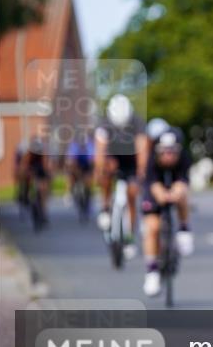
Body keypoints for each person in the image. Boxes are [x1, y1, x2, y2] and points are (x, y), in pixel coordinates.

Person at [140, 128, 194, 296]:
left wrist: (176, 193)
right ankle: (152, 271)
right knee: (153, 228)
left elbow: (183, 182)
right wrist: (161, 195)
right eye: (165, 152)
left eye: (172, 152)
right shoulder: (151, 160)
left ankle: (184, 229)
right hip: (155, 188)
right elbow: (152, 184)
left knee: (183, 196)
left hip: (175, 185)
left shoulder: (184, 158)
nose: (169, 156)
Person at [94, 94, 149, 259]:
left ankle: (129, 236)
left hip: (131, 159)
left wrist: (141, 170)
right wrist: (100, 169)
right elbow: (100, 150)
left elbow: (142, 149)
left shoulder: (137, 122)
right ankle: (105, 206)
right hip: (113, 157)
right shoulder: (104, 123)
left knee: (132, 194)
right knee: (105, 174)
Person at [18, 136, 52, 226]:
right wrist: (24, 174)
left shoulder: (43, 154)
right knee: (26, 183)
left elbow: (46, 167)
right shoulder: (28, 154)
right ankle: (25, 197)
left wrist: (47, 175)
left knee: (43, 189)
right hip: (31, 171)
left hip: (40, 171)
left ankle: (43, 212)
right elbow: (23, 166)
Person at [65, 134, 96, 215]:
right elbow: (71, 160)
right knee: (70, 175)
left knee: (88, 180)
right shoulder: (74, 146)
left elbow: (92, 161)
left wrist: (90, 173)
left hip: (86, 165)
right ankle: (69, 192)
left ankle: (88, 197)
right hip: (77, 165)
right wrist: (75, 172)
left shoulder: (89, 145)